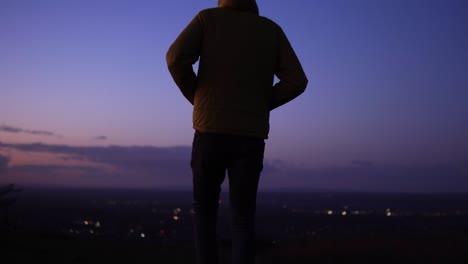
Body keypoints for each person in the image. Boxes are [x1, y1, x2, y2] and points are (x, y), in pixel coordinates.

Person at [166, 0, 308, 263]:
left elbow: (175, 58)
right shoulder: (270, 30)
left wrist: (197, 97)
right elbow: (297, 81)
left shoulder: (207, 20)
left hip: (209, 131)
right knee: (243, 218)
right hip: (250, 137)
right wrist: (261, 104)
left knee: (205, 213)